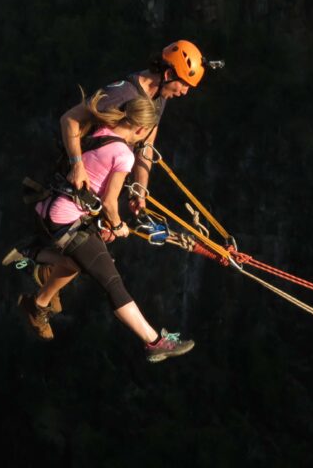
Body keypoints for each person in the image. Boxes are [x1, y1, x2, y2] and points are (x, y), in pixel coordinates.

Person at [18, 90, 195, 363]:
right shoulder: (124, 155)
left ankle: (32, 255)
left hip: (54, 209)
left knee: (82, 266)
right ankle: (155, 342)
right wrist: (118, 225)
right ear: (141, 128)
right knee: (112, 282)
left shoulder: (100, 132)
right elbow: (111, 202)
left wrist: (105, 221)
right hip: (68, 221)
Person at [60, 40, 207, 212]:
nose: (185, 92)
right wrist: (76, 165)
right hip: (77, 186)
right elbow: (69, 119)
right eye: (184, 84)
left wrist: (139, 192)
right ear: (168, 75)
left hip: (100, 193)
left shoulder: (159, 98)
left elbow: (146, 147)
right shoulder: (122, 92)